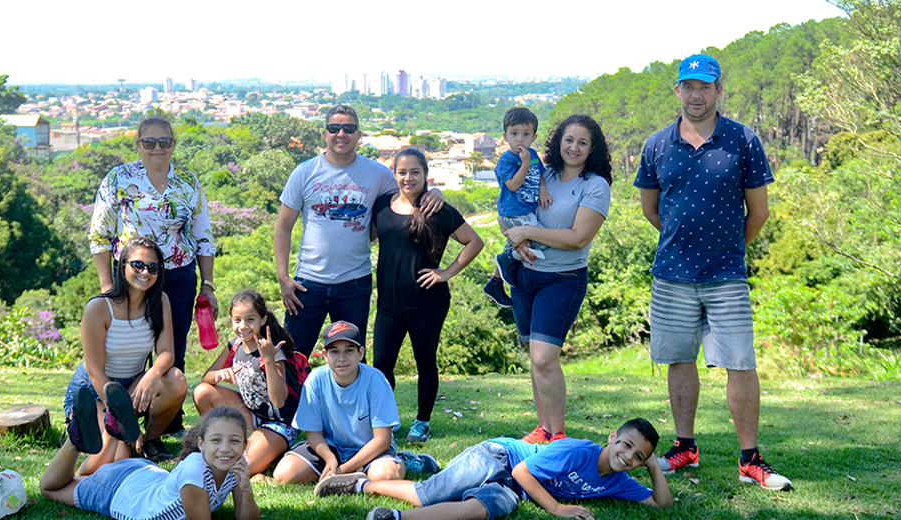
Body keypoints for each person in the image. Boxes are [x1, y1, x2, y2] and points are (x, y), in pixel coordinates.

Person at [633, 54, 792, 491]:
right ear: (678, 91)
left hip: (726, 275)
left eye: (705, 86)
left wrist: (728, 248)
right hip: (672, 274)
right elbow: (652, 208)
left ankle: (750, 459)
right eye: (689, 86)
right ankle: (685, 447)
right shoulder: (657, 145)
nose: (696, 94)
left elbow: (758, 212)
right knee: (680, 360)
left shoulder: (743, 140)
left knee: (740, 363)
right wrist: (685, 242)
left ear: (720, 90)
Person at [274, 105, 442, 357]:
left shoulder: (378, 174)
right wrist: (284, 278)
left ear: (358, 134)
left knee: (351, 360)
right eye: (334, 128)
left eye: (348, 128)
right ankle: (290, 399)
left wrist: (435, 192)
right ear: (324, 134)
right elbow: (283, 227)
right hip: (308, 283)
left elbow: (410, 190)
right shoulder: (304, 172)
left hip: (354, 283)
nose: (341, 134)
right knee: (292, 357)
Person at [90, 116, 218, 433]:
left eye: (164, 141)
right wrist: (108, 287)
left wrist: (208, 285)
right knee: (127, 350)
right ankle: (117, 417)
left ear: (173, 144)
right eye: (149, 142)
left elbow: (203, 236)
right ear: (138, 145)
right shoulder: (118, 178)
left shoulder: (188, 182)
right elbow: (99, 236)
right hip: (133, 276)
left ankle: (165, 423)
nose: (157, 148)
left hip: (178, 276)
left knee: (171, 353)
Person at [497, 115, 613, 444]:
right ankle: (543, 428)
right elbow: (510, 208)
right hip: (524, 277)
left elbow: (578, 238)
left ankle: (558, 434)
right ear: (557, 141)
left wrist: (529, 232)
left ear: (593, 149)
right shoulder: (541, 172)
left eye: (582, 142)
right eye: (568, 140)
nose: (573, 147)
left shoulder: (595, 186)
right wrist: (516, 240)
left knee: (544, 357)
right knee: (535, 356)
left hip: (562, 278)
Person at [315, 418, 673, 520]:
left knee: (478, 510)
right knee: (430, 495)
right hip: (502, 457)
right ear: (612, 438)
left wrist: (655, 466)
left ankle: (389, 517)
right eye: (626, 445)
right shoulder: (575, 451)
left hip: (517, 487)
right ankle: (363, 484)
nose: (627, 457)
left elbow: (662, 506)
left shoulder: (620, 480)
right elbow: (522, 472)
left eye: (639, 456)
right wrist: (557, 508)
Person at [372, 148, 485, 444]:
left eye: (415, 172)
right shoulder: (382, 206)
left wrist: (445, 272)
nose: (408, 178)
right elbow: (366, 235)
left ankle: (422, 421)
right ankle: (387, 419)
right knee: (381, 365)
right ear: (394, 173)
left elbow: (475, 241)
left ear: (426, 174)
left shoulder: (437, 210)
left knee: (425, 362)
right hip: (388, 303)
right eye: (402, 172)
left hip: (427, 302)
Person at [67, 236, 187, 470]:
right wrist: (122, 416)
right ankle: (84, 430)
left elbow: (166, 353)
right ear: (122, 267)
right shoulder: (99, 307)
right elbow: (95, 372)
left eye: (153, 267)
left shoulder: (160, 301)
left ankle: (150, 441)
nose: (145, 272)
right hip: (95, 390)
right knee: (119, 458)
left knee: (175, 379)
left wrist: (152, 375)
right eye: (137, 265)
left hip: (134, 384)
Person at [272, 321, 439, 485]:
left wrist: (342, 471)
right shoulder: (316, 379)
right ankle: (349, 469)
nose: (342, 358)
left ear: (361, 353)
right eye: (335, 351)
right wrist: (330, 460)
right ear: (325, 355)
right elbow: (313, 433)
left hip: (371, 448)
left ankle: (402, 460)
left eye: (349, 350)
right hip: (331, 447)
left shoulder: (375, 380)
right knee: (284, 475)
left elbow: (382, 439)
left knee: (385, 477)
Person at [41, 403, 260, 520]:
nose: (225, 448)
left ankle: (113, 435)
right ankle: (75, 442)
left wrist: (245, 488)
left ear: (243, 445)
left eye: (234, 441)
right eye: (216, 440)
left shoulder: (238, 465)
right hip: (119, 491)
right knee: (50, 488)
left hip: (142, 474)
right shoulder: (195, 472)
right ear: (201, 444)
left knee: (87, 477)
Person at [193, 290, 303, 475]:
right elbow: (207, 378)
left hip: (278, 423)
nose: (243, 326)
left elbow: (278, 401)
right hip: (250, 413)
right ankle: (219, 439)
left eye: (250, 320)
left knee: (240, 468)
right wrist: (221, 374)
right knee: (202, 392)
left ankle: (270, 451)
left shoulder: (272, 351)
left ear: (263, 320)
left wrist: (268, 360)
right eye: (237, 320)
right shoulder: (235, 345)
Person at [483, 106, 550, 308]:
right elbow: (512, 185)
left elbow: (539, 174)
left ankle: (496, 281)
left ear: (534, 136)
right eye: (514, 134)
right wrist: (525, 163)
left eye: (525, 134)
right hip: (513, 212)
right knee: (541, 239)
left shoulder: (532, 154)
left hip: (524, 210)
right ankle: (509, 267)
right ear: (505, 136)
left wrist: (543, 190)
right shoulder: (507, 159)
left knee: (521, 243)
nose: (520, 139)